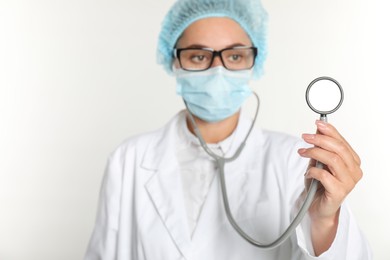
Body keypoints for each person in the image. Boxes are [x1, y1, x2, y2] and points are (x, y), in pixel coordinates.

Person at [84, 0, 372, 259]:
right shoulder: (128, 160)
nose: (217, 70)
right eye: (198, 56)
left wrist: (323, 221)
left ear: (253, 62)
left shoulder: (296, 160)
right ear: (174, 60)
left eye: (234, 56)